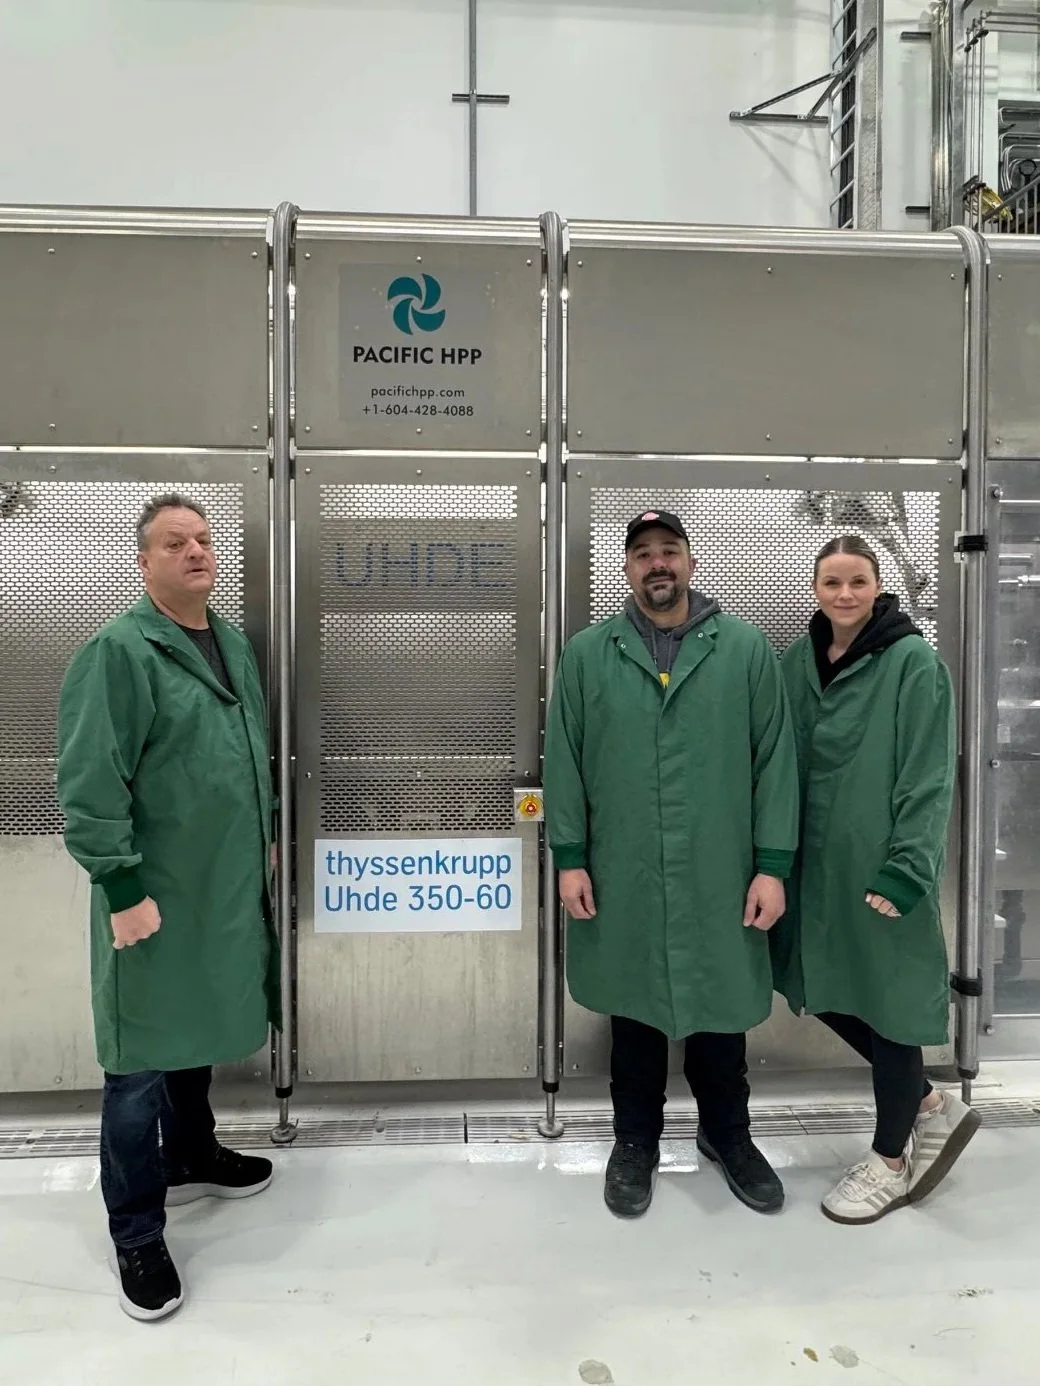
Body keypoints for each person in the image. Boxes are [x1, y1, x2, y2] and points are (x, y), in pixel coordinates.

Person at [57, 494, 279, 1321]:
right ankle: (138, 1233)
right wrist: (120, 887)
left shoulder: (229, 643)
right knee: (137, 1062)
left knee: (196, 1028)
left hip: (218, 886)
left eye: (204, 540)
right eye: (175, 543)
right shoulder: (119, 652)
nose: (196, 552)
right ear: (144, 562)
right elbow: (88, 782)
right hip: (149, 892)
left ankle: (192, 1152)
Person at [544, 509, 799, 1219]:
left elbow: (776, 760)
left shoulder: (744, 650)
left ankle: (729, 1137)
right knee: (636, 1015)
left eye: (670, 552)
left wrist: (771, 864)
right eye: (644, 555)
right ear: (626, 570)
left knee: (720, 1013)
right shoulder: (590, 655)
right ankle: (636, 1143)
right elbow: (563, 760)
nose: (658, 565)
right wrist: (570, 857)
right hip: (624, 866)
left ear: (690, 562)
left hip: (722, 868)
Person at [772, 534, 979, 1225]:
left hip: (882, 866)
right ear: (814, 588)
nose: (844, 595)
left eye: (857, 581)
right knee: (815, 983)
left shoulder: (913, 663)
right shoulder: (799, 660)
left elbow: (928, 775)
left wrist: (908, 866)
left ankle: (891, 1161)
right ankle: (926, 1101)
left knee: (889, 1007)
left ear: (876, 585)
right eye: (831, 582)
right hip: (815, 868)